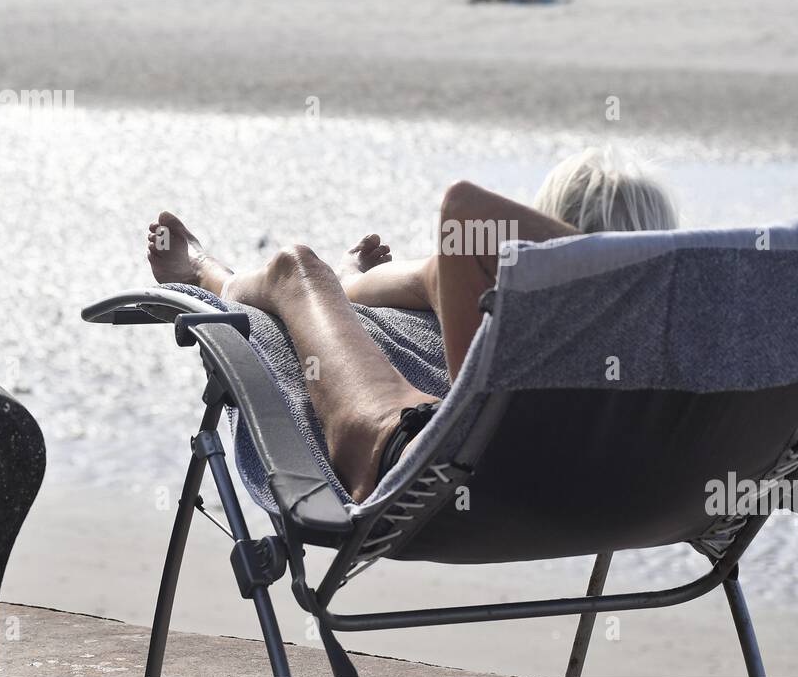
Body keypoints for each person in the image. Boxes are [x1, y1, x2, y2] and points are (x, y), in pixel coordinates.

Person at [144, 149, 698, 501]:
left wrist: (531, 269)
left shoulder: (533, 318)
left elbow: (465, 210)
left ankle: (209, 274)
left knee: (296, 269)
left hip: (414, 462)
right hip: (595, 498)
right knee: (438, 278)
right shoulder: (657, 378)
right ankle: (350, 282)